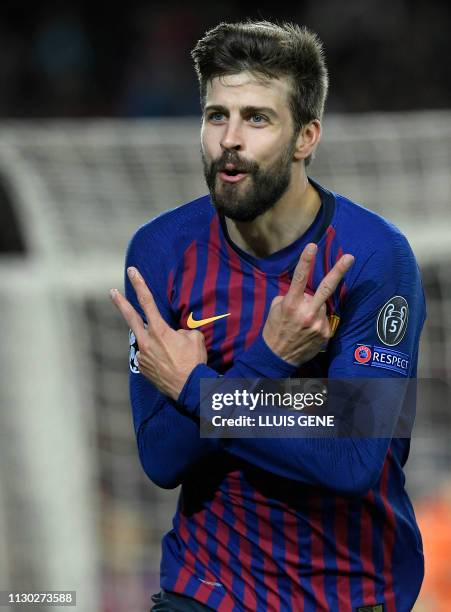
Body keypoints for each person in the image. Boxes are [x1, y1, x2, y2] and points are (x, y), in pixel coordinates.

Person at [110, 20, 426, 612]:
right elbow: (161, 458)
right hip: (204, 590)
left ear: (306, 136)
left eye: (257, 118)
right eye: (215, 116)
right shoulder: (161, 251)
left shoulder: (374, 258)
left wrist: (198, 390)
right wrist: (273, 360)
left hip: (347, 593)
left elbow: (352, 460)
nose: (230, 139)